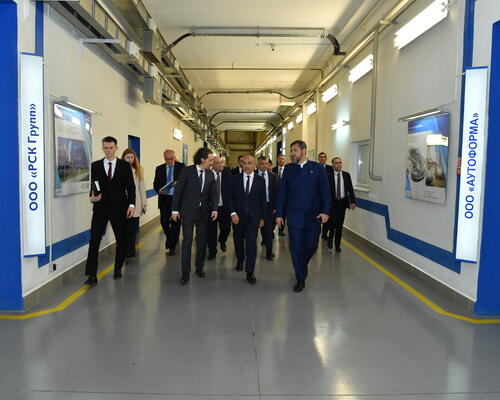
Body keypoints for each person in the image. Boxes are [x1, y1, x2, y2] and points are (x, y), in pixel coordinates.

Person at [276, 140, 331, 293]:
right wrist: (280, 214)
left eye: (295, 150)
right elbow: (282, 193)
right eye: (291, 151)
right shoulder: (288, 170)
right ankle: (300, 277)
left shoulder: (317, 168)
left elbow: (325, 192)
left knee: (312, 245)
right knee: (295, 247)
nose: (292, 153)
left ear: (304, 150)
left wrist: (325, 211)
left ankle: (301, 264)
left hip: (314, 216)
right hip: (294, 216)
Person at [84, 136, 136, 286]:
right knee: (94, 240)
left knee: (121, 239)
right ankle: (92, 275)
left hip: (120, 209)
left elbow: (131, 187)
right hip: (100, 209)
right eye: (106, 148)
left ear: (116, 148)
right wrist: (92, 197)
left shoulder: (124, 166)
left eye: (111, 148)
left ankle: (118, 269)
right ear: (102, 148)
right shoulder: (95, 166)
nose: (108, 151)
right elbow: (94, 186)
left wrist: (131, 205)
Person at [172, 147, 218, 285]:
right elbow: (178, 191)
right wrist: (174, 210)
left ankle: (199, 267)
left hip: (203, 213)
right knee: (187, 241)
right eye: (210, 160)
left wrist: (215, 209)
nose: (212, 163)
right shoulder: (187, 171)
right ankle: (185, 273)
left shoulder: (210, 174)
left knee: (202, 241)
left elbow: (214, 193)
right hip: (187, 212)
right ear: (202, 159)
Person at [229, 155, 266, 284]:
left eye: (249, 163)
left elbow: (263, 200)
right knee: (238, 241)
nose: (246, 165)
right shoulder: (235, 179)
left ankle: (250, 271)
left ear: (255, 166)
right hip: (238, 217)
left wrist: (262, 217)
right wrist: (233, 213)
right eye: (244, 163)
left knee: (251, 244)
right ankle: (240, 260)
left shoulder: (260, 180)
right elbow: (230, 198)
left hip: (253, 218)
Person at [153, 150, 185, 255]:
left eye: (171, 159)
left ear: (174, 157)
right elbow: (155, 184)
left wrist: (178, 183)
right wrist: (159, 190)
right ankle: (170, 238)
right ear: (164, 158)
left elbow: (186, 182)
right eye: (167, 159)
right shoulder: (159, 168)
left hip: (177, 199)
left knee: (176, 223)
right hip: (164, 199)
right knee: (164, 222)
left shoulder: (181, 167)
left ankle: (172, 246)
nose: (169, 161)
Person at [327, 157, 356, 252]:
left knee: (339, 225)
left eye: (340, 162)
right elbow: (325, 191)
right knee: (332, 222)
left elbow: (350, 189)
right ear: (333, 165)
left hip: (342, 203)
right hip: (332, 203)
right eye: (336, 163)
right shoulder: (328, 176)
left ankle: (337, 245)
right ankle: (330, 237)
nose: (339, 164)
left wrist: (353, 201)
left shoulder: (346, 175)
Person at [122, 148, 147, 258]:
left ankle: (131, 250)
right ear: (123, 158)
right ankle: (125, 249)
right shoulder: (120, 168)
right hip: (123, 202)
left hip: (136, 202)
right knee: (125, 228)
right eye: (127, 157)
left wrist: (144, 203)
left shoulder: (138, 169)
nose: (130, 159)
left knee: (132, 229)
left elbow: (142, 186)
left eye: (132, 157)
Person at [207, 156, 232, 260]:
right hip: (210, 208)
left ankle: (222, 240)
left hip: (224, 207)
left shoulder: (227, 173)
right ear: (212, 164)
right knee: (211, 231)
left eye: (221, 162)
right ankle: (212, 251)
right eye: (218, 163)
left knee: (226, 228)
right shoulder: (207, 174)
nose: (221, 165)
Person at [257, 156, 280, 260]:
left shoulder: (273, 177)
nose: (264, 166)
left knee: (268, 229)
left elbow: (276, 193)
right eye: (262, 163)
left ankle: (269, 252)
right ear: (258, 164)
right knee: (255, 229)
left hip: (268, 206)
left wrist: (275, 206)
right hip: (255, 207)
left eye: (266, 163)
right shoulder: (252, 175)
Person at [318, 152, 334, 240]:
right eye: (320, 157)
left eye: (324, 157)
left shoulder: (330, 169)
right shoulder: (315, 167)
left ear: (326, 158)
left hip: (327, 195)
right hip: (317, 196)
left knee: (326, 214)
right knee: (317, 215)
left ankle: (324, 234)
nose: (322, 158)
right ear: (318, 158)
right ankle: (316, 232)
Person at [272, 154, 287, 236]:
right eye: (280, 159)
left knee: (283, 212)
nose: (281, 160)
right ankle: (272, 229)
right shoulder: (273, 169)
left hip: (285, 194)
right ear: (277, 160)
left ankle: (281, 229)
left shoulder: (288, 170)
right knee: (274, 213)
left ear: (284, 160)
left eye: (282, 159)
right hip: (275, 194)